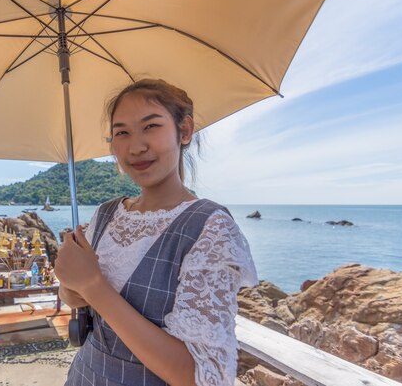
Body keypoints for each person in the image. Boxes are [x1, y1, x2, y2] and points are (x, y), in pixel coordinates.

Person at [54, 79, 259, 386]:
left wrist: (93, 284)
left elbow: (199, 377)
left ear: (185, 131)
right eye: (122, 132)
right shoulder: (106, 214)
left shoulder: (210, 228)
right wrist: (71, 285)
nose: (136, 146)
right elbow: (76, 299)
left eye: (150, 127)